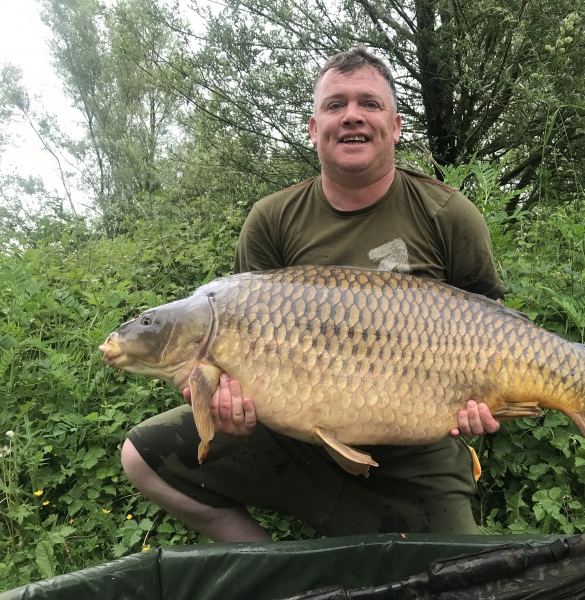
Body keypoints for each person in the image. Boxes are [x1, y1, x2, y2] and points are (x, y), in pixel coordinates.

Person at [120, 46, 504, 542]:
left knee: (452, 582)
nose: (352, 117)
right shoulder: (273, 219)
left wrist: (485, 398)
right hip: (295, 437)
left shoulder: (447, 214)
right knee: (141, 458)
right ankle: (282, 574)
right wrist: (222, 403)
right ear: (312, 126)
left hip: (415, 452)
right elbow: (231, 351)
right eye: (334, 105)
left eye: (369, 103)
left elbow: (492, 321)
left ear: (396, 124)